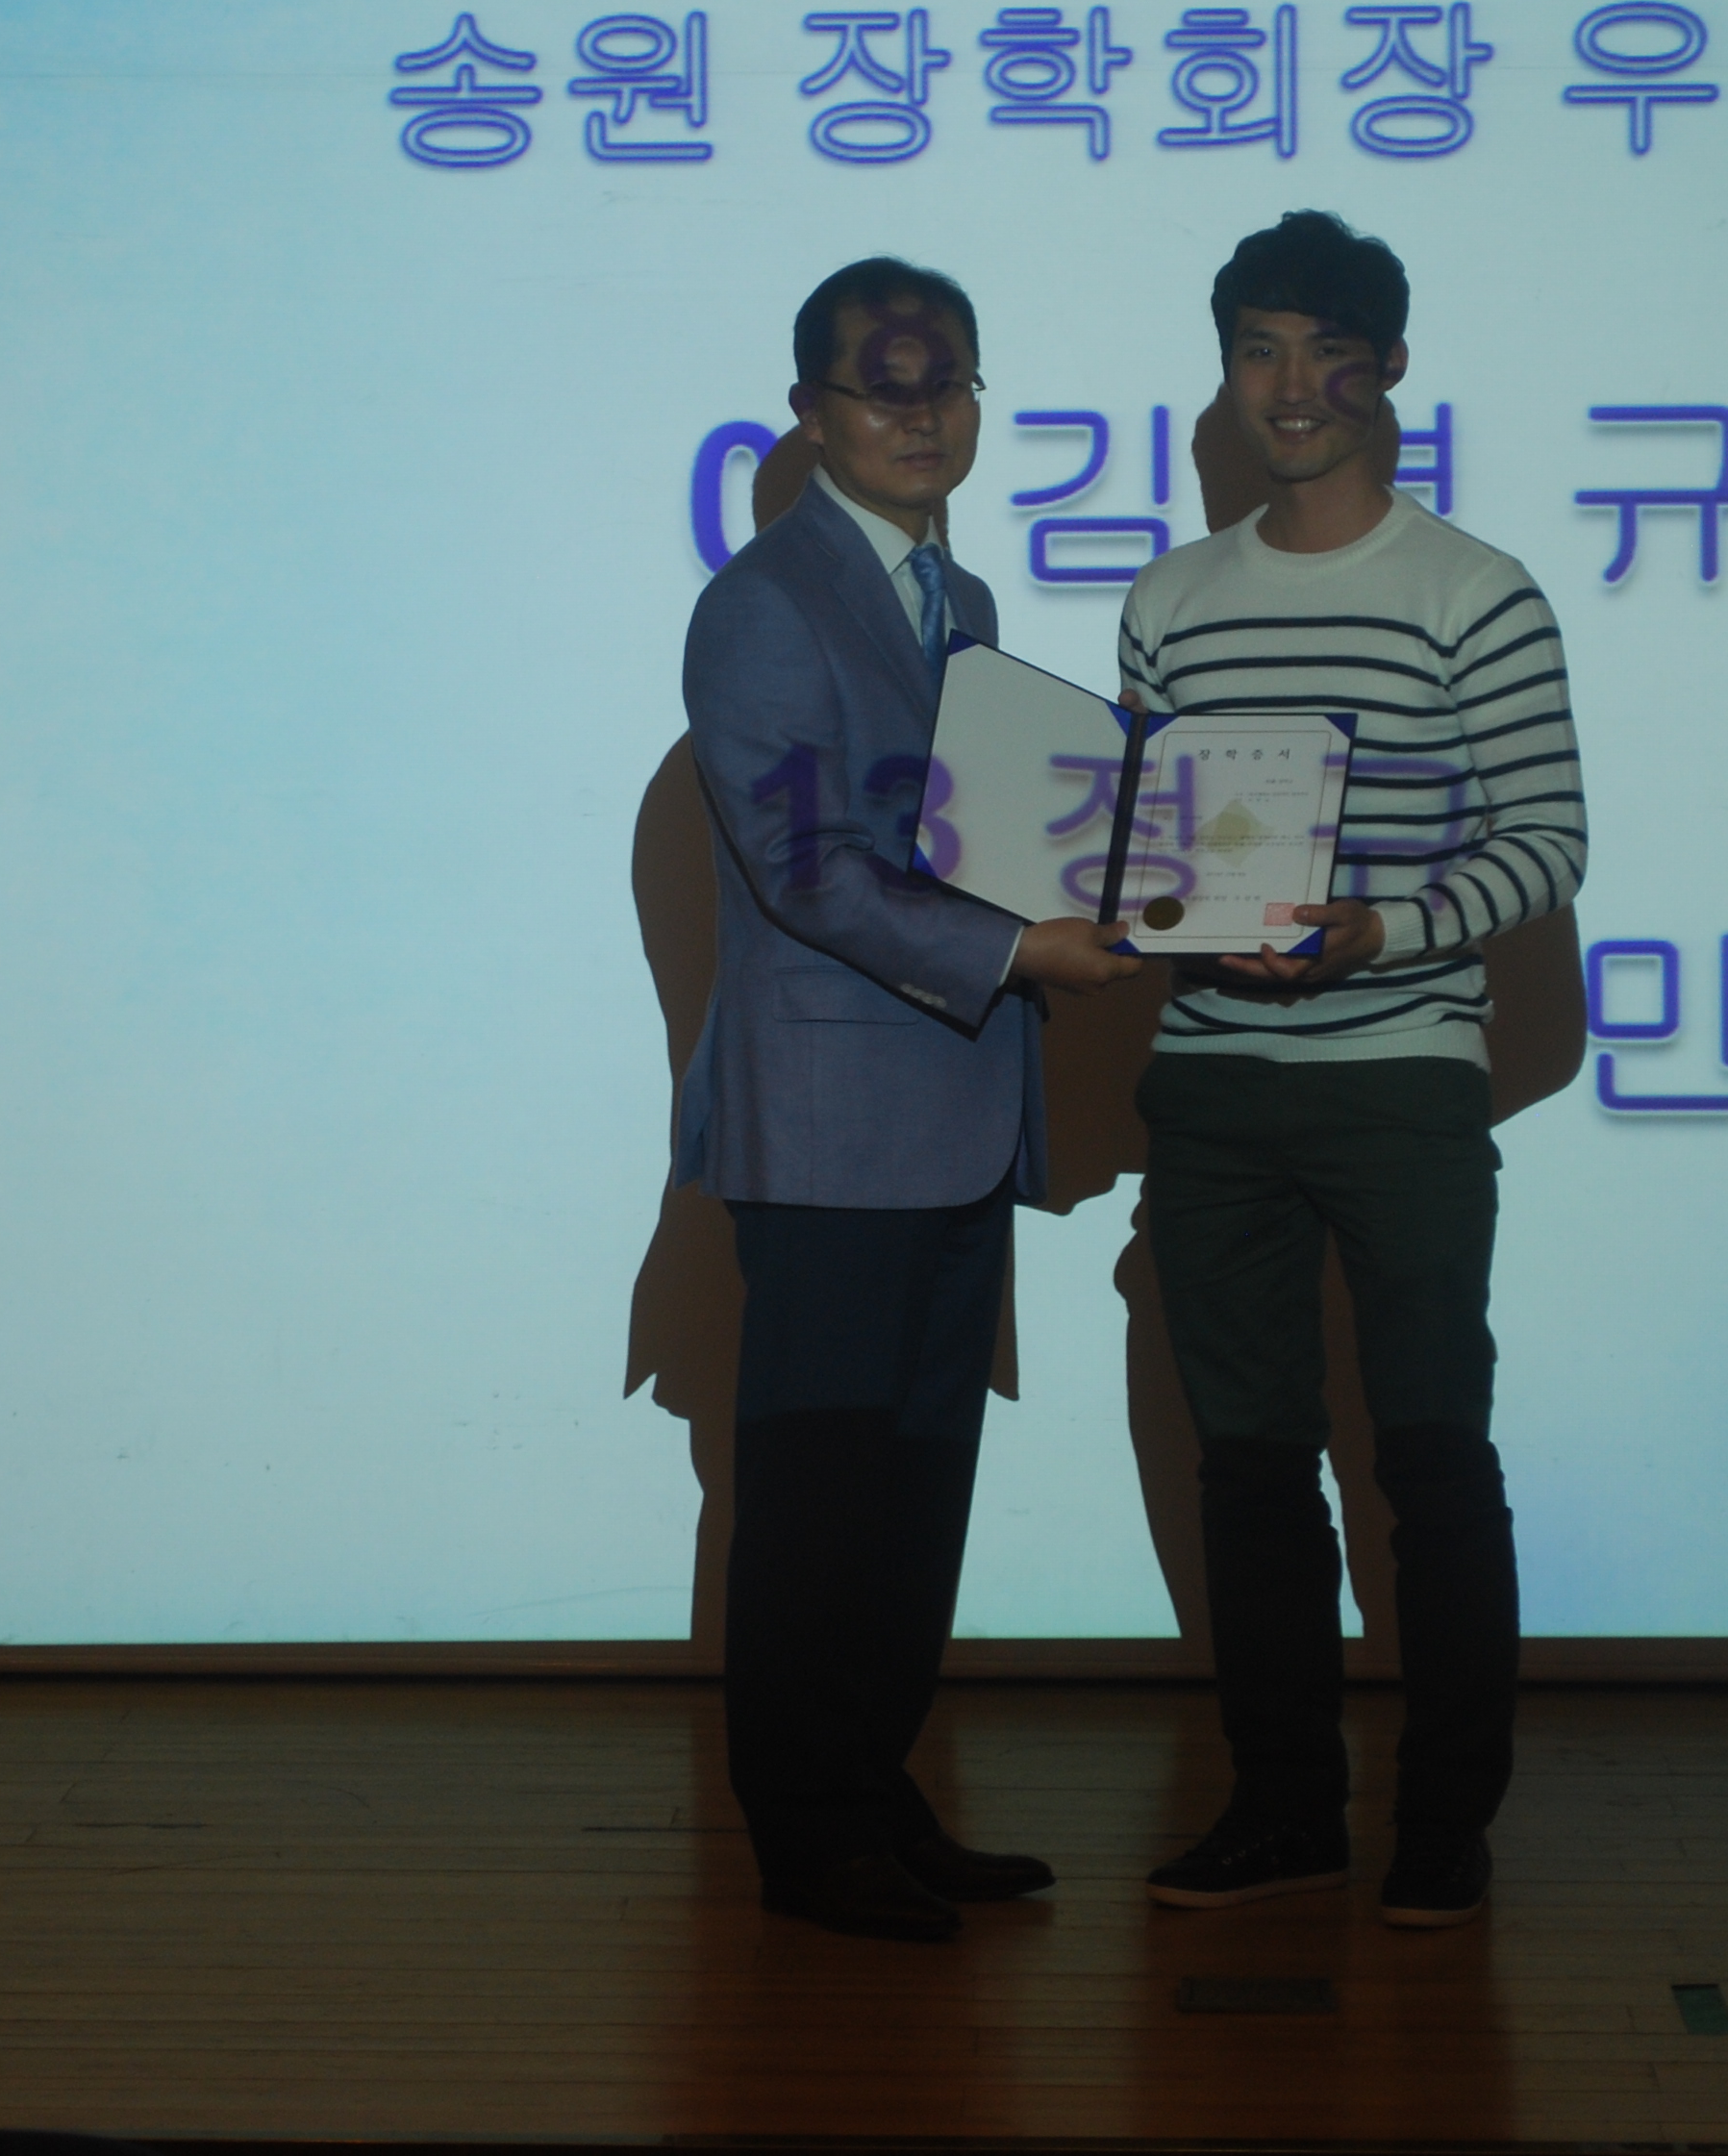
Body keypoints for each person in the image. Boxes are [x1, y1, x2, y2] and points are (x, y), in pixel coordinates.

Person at [1114, 210, 1588, 1929]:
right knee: (1248, 1467)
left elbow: (1548, 842)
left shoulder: (1473, 589)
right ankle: (1284, 1811)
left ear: (1388, 369)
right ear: (1227, 374)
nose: (1292, 385)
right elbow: (1156, 858)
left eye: (1326, 351)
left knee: (1432, 1458)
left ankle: (1444, 1823)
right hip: (1214, 1078)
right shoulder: (1170, 602)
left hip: (1401, 1077)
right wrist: (1153, 915)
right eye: (1259, 349)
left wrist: (1385, 931)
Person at [675, 255, 1143, 1942]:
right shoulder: (765, 603)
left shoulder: (968, 600)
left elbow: (978, 842)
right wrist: (1021, 949)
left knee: (915, 1497)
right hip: (830, 1128)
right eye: (884, 388)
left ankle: (880, 1797)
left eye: (947, 381)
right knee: (817, 1506)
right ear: (811, 412)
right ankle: (806, 1840)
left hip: (954, 1109)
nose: (921, 413)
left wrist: (1127, 863)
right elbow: (806, 868)